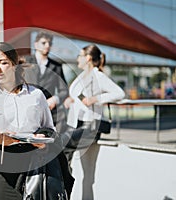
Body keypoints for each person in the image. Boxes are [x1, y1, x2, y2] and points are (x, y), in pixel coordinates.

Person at [0, 42, 67, 200]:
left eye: (3, 62)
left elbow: (50, 130)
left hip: (34, 162)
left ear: (14, 65)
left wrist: (44, 142)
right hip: (1, 164)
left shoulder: (36, 95)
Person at [63, 44, 125, 200]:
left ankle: (62, 190)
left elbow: (119, 93)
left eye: (80, 55)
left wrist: (96, 99)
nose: (78, 58)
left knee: (62, 150)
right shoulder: (82, 75)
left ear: (88, 58)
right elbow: (77, 96)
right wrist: (71, 100)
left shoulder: (98, 76)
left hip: (90, 127)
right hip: (76, 124)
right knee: (82, 173)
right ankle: (64, 190)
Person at [24, 31, 69, 134]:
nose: (47, 46)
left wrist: (55, 99)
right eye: (44, 43)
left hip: (48, 111)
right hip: (27, 109)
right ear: (36, 44)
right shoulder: (24, 61)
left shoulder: (57, 66)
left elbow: (64, 90)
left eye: (50, 43)